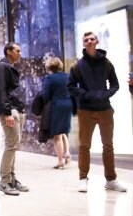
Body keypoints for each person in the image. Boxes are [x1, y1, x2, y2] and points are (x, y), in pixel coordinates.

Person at [67, 32, 127, 193]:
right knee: (84, 146)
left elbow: (115, 84)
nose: (89, 41)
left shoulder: (106, 63)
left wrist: (104, 94)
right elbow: (71, 87)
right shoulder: (77, 66)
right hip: (86, 110)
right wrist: (87, 95)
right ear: (83, 44)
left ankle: (111, 179)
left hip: (105, 109)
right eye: (86, 40)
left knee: (108, 145)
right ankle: (82, 178)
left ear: (97, 41)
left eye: (92, 39)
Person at [0, 42, 30, 196]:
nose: (20, 53)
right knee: (11, 146)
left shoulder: (10, 67)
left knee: (13, 146)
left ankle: (12, 179)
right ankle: (4, 181)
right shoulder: (2, 67)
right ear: (9, 51)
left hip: (16, 109)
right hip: (10, 110)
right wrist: (7, 112)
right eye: (17, 51)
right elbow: (0, 91)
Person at [41, 57, 72, 169]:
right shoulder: (67, 76)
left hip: (56, 106)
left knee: (57, 135)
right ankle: (67, 153)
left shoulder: (50, 78)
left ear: (49, 67)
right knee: (64, 131)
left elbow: (45, 95)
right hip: (68, 105)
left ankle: (60, 161)